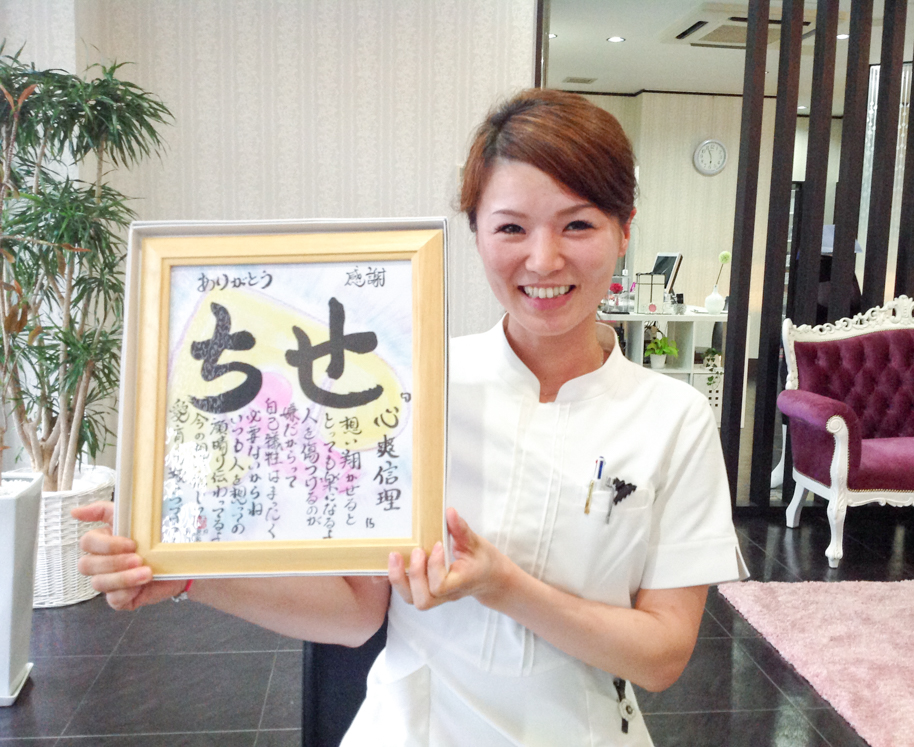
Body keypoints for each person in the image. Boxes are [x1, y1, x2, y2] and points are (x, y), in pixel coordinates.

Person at [74, 88, 747, 746]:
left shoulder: (675, 418)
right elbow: (356, 614)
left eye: (578, 224)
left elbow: (662, 655)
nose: (543, 259)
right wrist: (187, 572)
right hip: (412, 726)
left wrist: (504, 586)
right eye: (511, 227)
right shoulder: (415, 384)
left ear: (625, 229)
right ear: (476, 233)